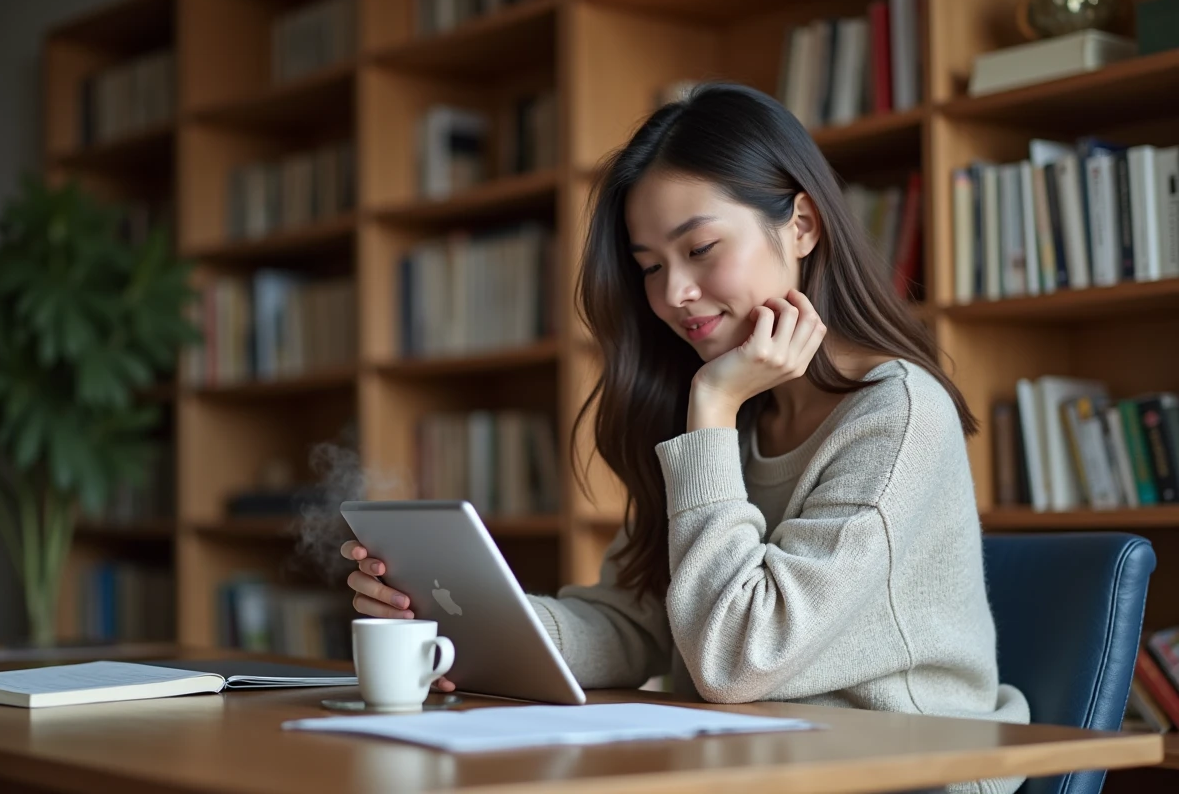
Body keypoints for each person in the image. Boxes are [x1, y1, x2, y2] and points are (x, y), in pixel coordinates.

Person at [342, 82, 1030, 794]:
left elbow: (736, 660)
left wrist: (714, 406)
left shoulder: (896, 414)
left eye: (700, 248)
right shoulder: (731, 416)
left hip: (910, 774)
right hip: (762, 767)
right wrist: (460, 622)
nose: (673, 293)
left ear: (801, 225)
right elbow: (636, 621)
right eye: (650, 267)